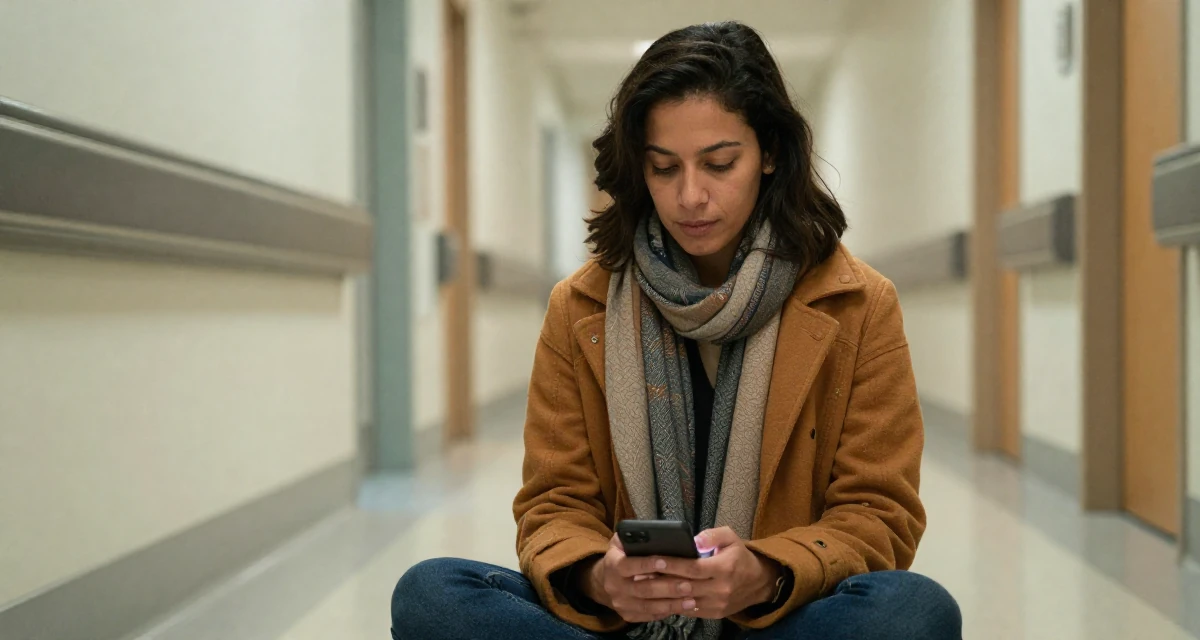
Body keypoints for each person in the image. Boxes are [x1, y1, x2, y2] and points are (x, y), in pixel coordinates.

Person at [391, 21, 961, 640]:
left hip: (775, 621)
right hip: (623, 626)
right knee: (432, 594)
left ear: (769, 153)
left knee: (914, 610)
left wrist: (767, 571)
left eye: (720, 163)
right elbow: (554, 505)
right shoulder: (580, 307)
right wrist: (596, 578)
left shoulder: (858, 305)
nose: (691, 195)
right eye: (664, 168)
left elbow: (879, 514)